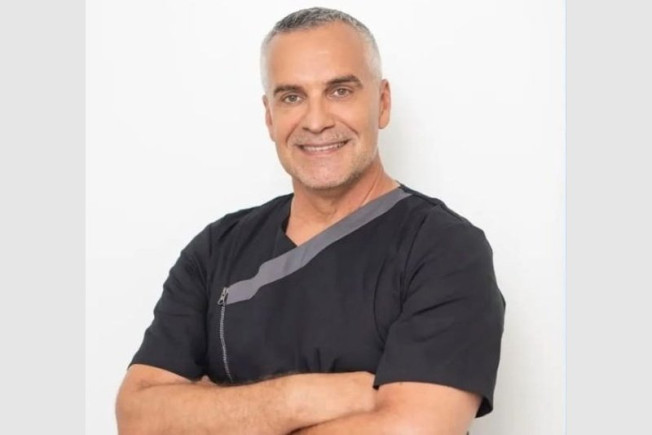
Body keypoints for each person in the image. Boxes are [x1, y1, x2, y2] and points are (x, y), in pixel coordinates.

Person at [116, 7, 505, 435]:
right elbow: (138, 418)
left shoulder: (444, 250)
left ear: (382, 103)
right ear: (269, 117)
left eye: (340, 91)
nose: (316, 121)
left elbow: (415, 429)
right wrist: (306, 398)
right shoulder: (216, 251)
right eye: (292, 97)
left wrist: (212, 410)